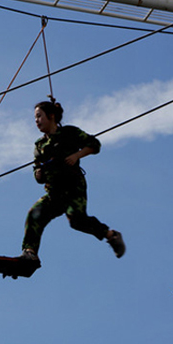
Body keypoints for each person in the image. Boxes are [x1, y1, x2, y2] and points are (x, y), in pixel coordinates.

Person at [20, 100, 125, 263]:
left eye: (39, 116)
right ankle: (29, 252)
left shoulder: (69, 133)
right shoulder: (39, 145)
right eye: (35, 118)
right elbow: (37, 174)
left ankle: (111, 235)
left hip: (73, 187)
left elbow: (94, 144)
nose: (37, 121)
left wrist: (77, 155)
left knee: (77, 220)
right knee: (35, 214)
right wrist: (40, 173)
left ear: (51, 116)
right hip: (54, 192)